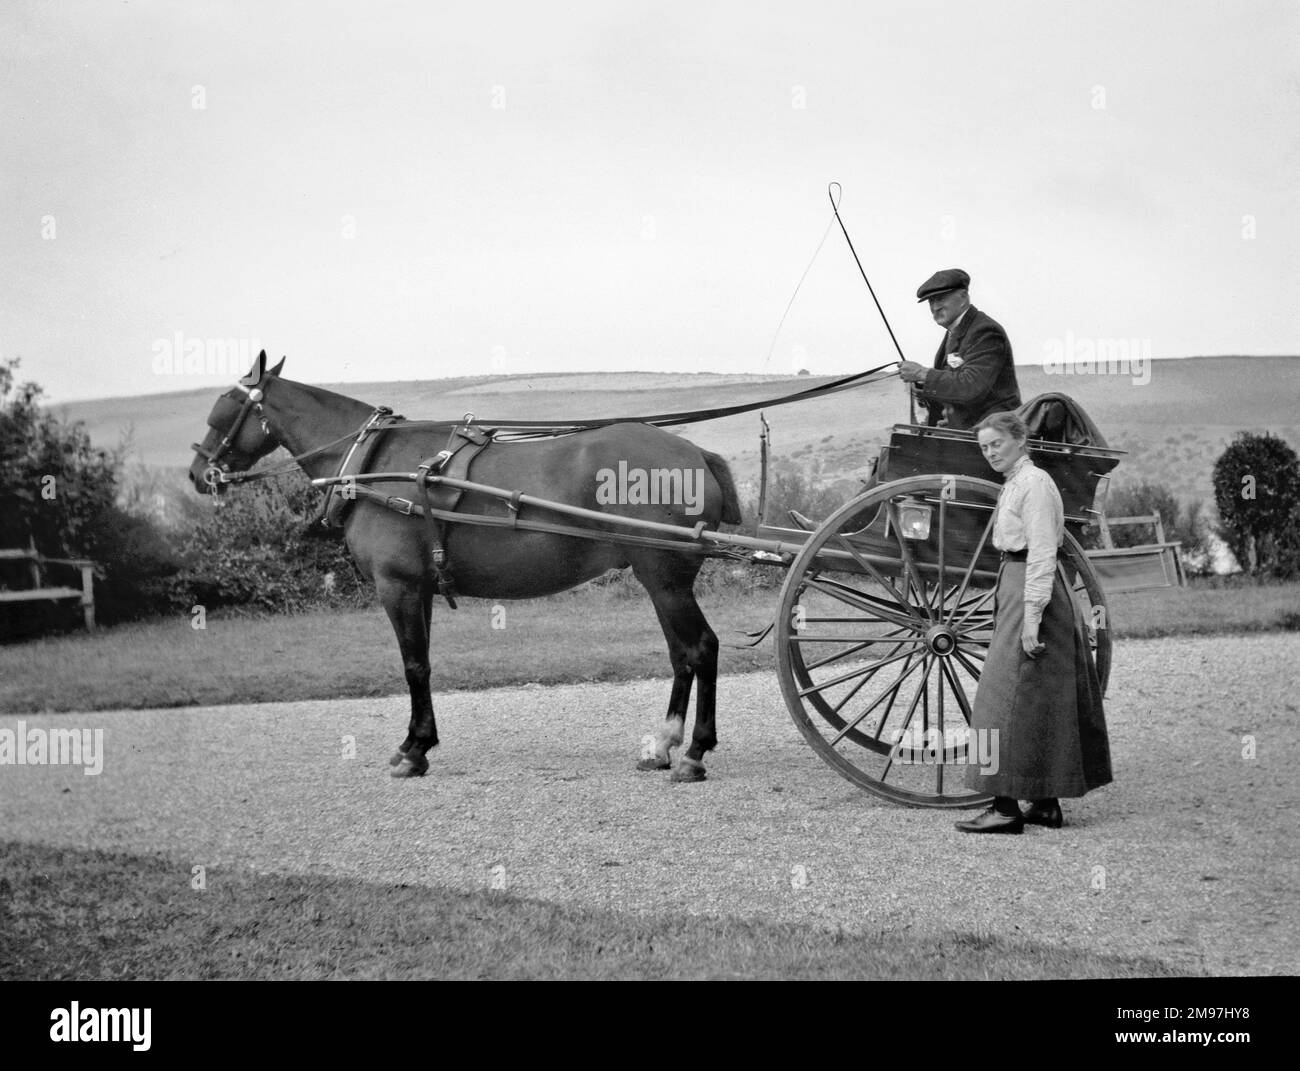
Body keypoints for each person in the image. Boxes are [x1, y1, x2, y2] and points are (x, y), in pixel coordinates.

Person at [955, 410, 1112, 833]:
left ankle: (1005, 807)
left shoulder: (1035, 485)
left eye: (997, 444)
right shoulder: (1017, 484)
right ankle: (1044, 803)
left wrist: (1032, 617)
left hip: (1034, 590)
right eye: (984, 447)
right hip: (1018, 583)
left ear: (1020, 440)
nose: (990, 453)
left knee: (998, 699)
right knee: (1038, 697)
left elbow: (1043, 553)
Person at [897, 269, 1021, 431]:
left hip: (993, 433)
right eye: (931, 302)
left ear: (963, 297)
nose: (935, 307)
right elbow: (955, 383)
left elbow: (971, 386)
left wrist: (922, 374)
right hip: (967, 429)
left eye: (940, 299)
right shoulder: (955, 331)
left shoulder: (985, 331)